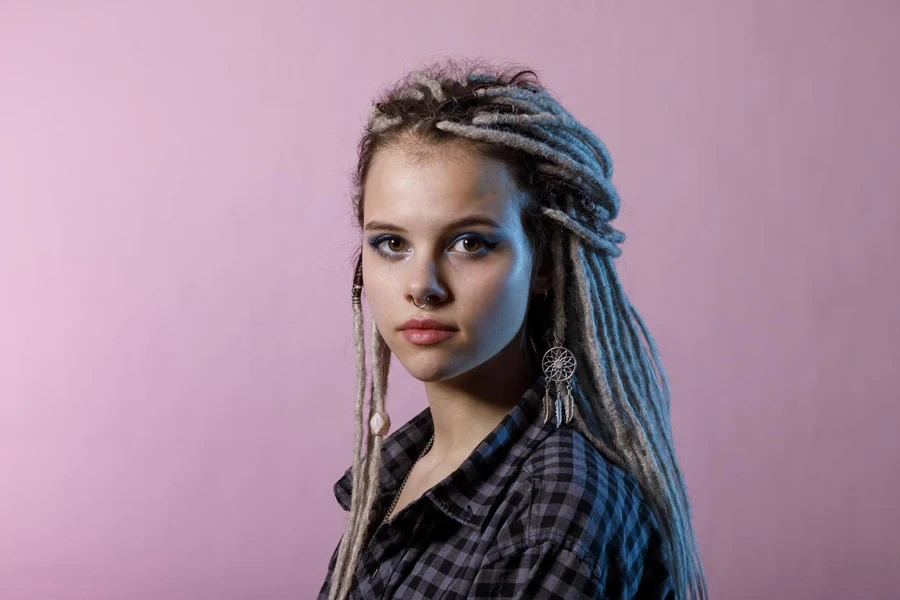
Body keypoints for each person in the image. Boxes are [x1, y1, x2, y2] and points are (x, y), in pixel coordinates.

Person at [317, 58, 708, 600]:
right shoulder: (407, 470)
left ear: (544, 264)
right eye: (392, 243)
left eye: (469, 243)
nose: (421, 285)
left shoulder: (553, 512)